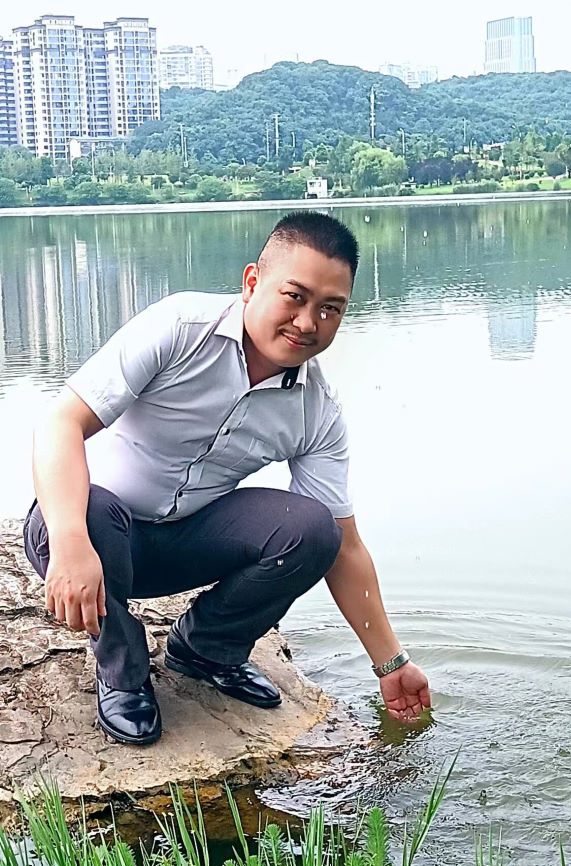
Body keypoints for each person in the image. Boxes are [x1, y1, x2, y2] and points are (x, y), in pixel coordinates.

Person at [23, 211, 431, 746]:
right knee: (95, 512)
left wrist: (391, 663)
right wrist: (70, 542)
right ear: (252, 282)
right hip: (92, 533)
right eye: (295, 296)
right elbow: (61, 422)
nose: (308, 322)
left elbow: (345, 548)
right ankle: (122, 672)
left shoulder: (316, 409)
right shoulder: (179, 327)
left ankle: (206, 650)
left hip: (185, 542)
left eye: (330, 309)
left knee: (314, 529)